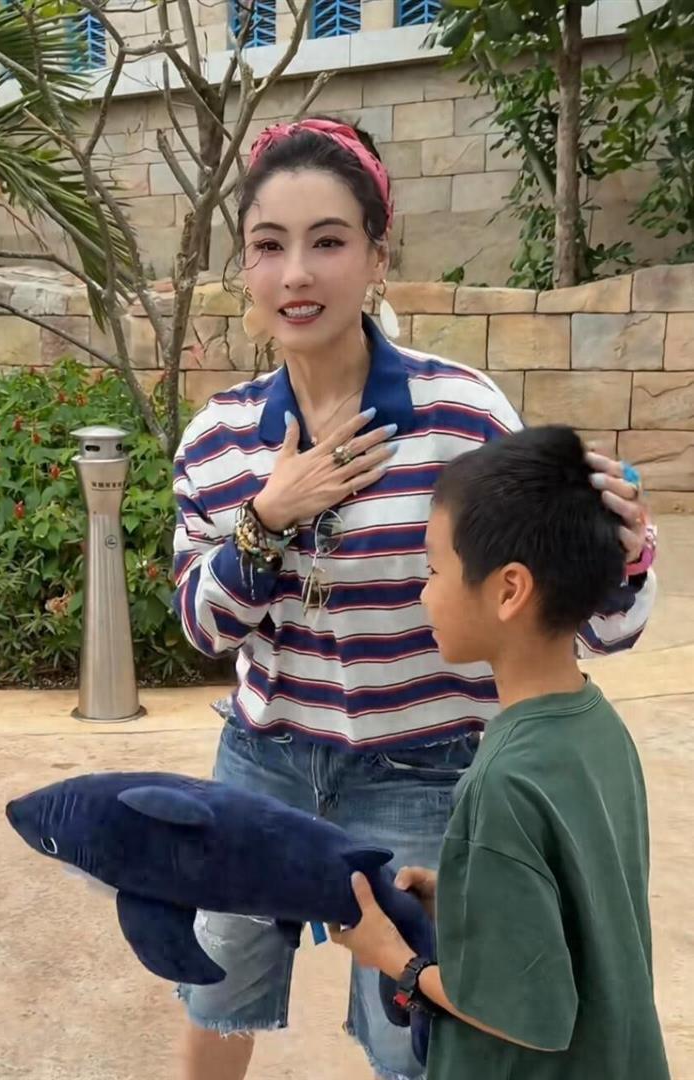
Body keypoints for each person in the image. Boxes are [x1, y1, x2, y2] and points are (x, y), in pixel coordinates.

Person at [171, 116, 657, 1080]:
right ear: (245, 266)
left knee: (423, 1029)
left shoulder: (463, 417)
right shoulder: (220, 437)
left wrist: (628, 554)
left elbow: (596, 623)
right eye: (269, 245)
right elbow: (202, 627)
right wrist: (267, 520)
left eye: (328, 241)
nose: (296, 274)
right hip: (265, 761)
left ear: (378, 257)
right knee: (215, 988)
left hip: (425, 771)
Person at [330, 424, 670, 1080]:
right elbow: (579, 905)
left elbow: (525, 1013)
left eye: (434, 571)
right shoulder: (597, 725)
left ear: (509, 589)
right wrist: (465, 895)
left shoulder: (501, 781)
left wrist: (393, 957)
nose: (423, 594)